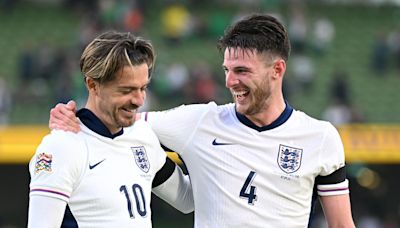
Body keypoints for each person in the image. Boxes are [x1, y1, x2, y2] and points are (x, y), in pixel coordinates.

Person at [49, 14, 356, 227]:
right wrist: (73, 116)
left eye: (242, 71)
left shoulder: (320, 138)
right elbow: (115, 118)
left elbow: (341, 224)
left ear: (277, 70)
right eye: (227, 70)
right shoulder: (198, 122)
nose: (230, 82)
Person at [28, 31, 193, 228]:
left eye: (143, 88)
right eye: (126, 90)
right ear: (93, 85)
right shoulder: (61, 147)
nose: (139, 100)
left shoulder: (142, 135)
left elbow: (187, 200)